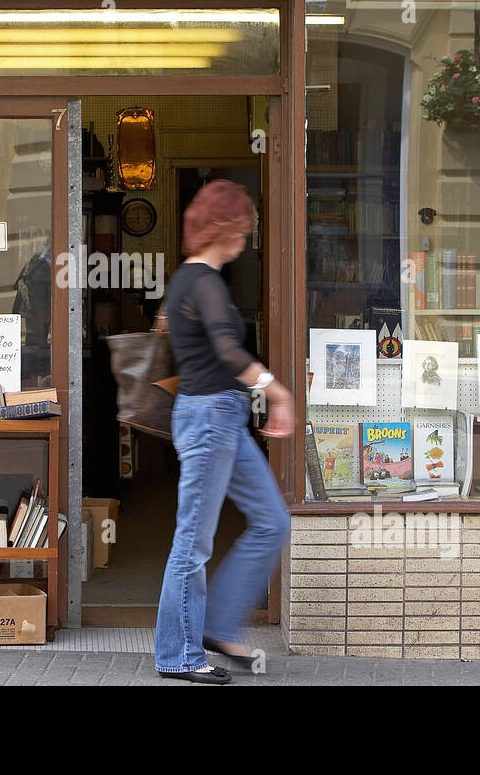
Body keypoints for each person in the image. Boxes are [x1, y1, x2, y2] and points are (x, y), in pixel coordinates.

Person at [155, 179, 292, 685]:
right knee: (192, 541)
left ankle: (215, 625)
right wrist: (277, 393)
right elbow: (230, 353)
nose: (247, 237)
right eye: (244, 226)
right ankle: (179, 654)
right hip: (210, 416)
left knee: (272, 521)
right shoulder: (204, 282)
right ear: (225, 226)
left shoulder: (196, 280)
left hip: (222, 416)